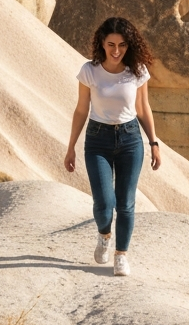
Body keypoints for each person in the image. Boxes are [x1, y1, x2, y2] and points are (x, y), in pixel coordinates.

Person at [65, 17, 161, 276]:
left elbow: (143, 108)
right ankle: (104, 234)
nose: (116, 51)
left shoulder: (138, 71)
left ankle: (121, 255)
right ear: (102, 44)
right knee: (104, 203)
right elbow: (81, 110)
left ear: (129, 46)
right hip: (97, 140)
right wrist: (71, 146)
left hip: (130, 139)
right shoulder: (89, 71)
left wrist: (153, 142)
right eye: (110, 44)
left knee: (126, 203)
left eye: (122, 45)